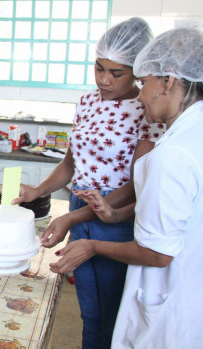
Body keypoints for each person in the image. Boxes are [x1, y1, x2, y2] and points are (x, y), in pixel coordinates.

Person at [11, 18, 164, 348]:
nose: (104, 80)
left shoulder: (147, 108)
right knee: (89, 311)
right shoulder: (87, 102)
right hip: (82, 209)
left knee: (111, 314)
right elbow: (70, 163)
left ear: (138, 71)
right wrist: (38, 190)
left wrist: (72, 217)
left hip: (117, 216)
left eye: (116, 73)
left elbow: (137, 184)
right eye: (99, 69)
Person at [50, 27, 203, 348]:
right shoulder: (191, 135)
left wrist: (93, 244)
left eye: (144, 82)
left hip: (174, 289)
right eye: (99, 68)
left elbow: (158, 253)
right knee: (96, 316)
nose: (143, 93)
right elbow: (166, 205)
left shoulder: (172, 153)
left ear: (169, 82)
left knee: (113, 318)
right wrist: (114, 213)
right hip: (160, 255)